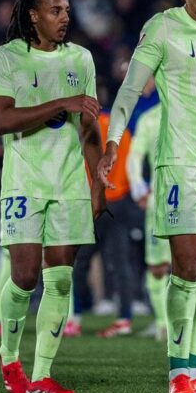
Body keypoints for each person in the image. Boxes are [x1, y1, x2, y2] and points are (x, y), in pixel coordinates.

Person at [97, 0, 196, 393]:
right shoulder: (161, 28)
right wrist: (112, 142)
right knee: (189, 264)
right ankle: (178, 371)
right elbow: (129, 90)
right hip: (181, 163)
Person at [0, 0, 106, 393]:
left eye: (67, 10)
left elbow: (89, 129)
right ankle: (9, 358)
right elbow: (2, 120)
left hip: (70, 183)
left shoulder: (82, 60)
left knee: (60, 281)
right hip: (24, 183)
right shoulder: (6, 59)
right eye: (55, 10)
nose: (64, 17)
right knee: (23, 276)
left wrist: (98, 184)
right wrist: (61, 103)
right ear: (33, 15)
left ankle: (41, 376)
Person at [73, 107, 142, 338]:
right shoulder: (124, 132)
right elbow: (131, 166)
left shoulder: (89, 127)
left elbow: (84, 165)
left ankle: (74, 315)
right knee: (121, 264)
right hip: (119, 203)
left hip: (95, 202)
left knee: (79, 262)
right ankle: (124, 318)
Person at [126, 102, 171, 341]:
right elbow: (135, 155)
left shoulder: (195, 108)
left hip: (195, 195)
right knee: (157, 267)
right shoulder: (149, 118)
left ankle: (193, 322)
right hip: (159, 202)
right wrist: (138, 187)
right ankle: (163, 324)